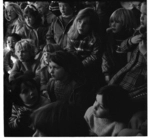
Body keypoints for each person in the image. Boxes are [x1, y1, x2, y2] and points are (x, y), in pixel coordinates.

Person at [108, 1, 147, 104]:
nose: (141, 17)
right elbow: (122, 47)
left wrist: (145, 52)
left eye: (146, 14)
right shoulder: (140, 30)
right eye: (141, 13)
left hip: (139, 80)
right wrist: (131, 41)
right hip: (126, 71)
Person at [65, 7, 104, 88]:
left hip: (89, 67)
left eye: (85, 23)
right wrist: (74, 63)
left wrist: (81, 65)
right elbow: (69, 50)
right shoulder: (71, 34)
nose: (81, 26)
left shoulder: (95, 38)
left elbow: (94, 56)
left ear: (92, 25)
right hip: (74, 63)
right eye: (79, 21)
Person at [102, 8, 138, 83]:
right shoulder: (109, 36)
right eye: (112, 21)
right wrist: (106, 73)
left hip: (127, 73)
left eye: (117, 22)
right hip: (112, 72)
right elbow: (106, 55)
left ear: (126, 23)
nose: (113, 24)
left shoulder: (133, 37)